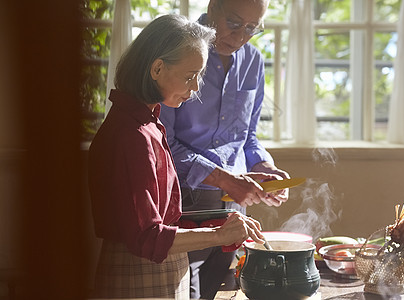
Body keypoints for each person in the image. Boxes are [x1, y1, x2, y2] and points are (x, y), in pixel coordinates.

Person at [88, 14, 267, 299]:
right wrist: (218, 236)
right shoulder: (133, 136)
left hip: (153, 272)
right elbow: (146, 237)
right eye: (189, 76)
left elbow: (159, 220)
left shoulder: (146, 123)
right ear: (157, 68)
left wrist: (216, 224)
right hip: (140, 276)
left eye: (199, 76)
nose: (195, 87)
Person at [159, 0, 291, 299]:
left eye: (251, 28)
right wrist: (221, 178)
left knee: (215, 289)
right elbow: (162, 144)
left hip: (234, 202)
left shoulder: (253, 61)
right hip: (184, 198)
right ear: (213, 7)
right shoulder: (178, 53)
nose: (240, 36)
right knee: (185, 291)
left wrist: (263, 166)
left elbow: (247, 137)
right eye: (233, 22)